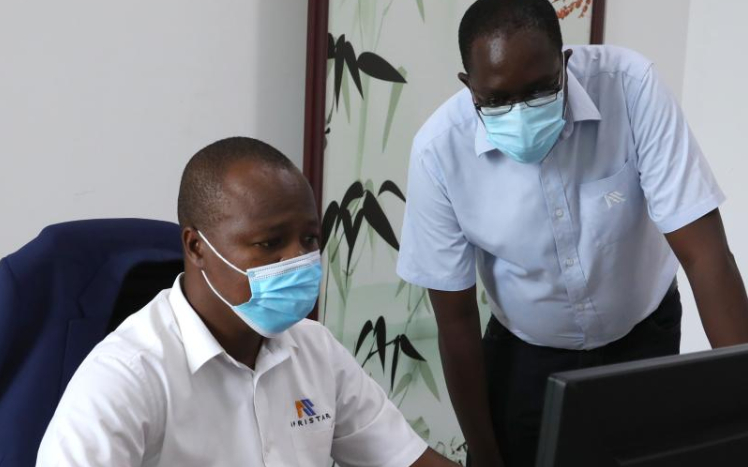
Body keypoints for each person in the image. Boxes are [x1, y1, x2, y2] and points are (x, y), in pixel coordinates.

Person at [395, 0, 748, 466]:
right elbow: (456, 320)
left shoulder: (631, 88)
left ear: (564, 62)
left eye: (540, 90)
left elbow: (705, 255)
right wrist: (484, 454)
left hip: (643, 337)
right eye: (497, 100)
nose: (520, 112)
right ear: (469, 86)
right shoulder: (439, 152)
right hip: (527, 356)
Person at [37, 137, 456, 467]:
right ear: (197, 247)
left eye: (310, 239)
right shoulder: (128, 375)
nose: (299, 260)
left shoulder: (314, 349)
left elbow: (405, 458)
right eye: (269, 243)